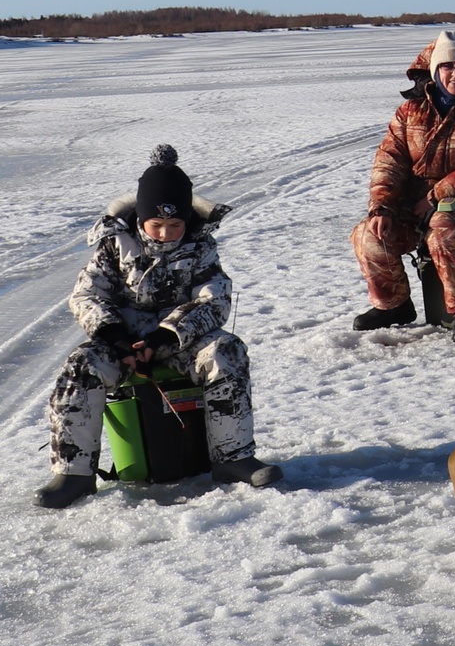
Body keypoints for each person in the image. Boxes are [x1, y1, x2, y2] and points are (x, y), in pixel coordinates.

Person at [37, 146, 279, 509]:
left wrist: (164, 336)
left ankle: (234, 458)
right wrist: (117, 340)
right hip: (123, 342)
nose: (166, 233)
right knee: (81, 365)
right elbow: (86, 295)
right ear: (141, 220)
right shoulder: (113, 246)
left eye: (175, 225)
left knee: (226, 351)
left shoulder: (200, 248)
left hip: (179, 341)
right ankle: (74, 472)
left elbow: (214, 299)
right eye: (157, 225)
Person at [351, 31, 455, 343]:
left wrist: (438, 195)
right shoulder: (409, 112)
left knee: (444, 228)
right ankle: (393, 306)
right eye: (448, 67)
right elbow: (389, 160)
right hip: (414, 207)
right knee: (369, 232)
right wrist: (382, 205)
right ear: (434, 71)